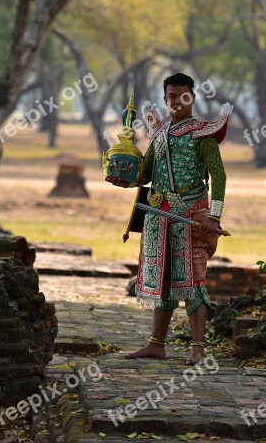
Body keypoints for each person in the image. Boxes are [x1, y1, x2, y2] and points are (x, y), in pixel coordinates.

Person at [106, 73, 230, 365]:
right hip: (158, 216)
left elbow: (219, 176)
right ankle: (156, 345)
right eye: (172, 97)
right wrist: (124, 180)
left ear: (193, 97)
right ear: (165, 100)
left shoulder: (202, 133)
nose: (177, 101)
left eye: (183, 96)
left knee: (194, 281)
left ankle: (198, 349)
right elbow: (146, 174)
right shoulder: (159, 134)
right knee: (160, 280)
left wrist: (214, 216)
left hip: (192, 216)